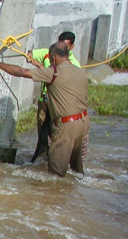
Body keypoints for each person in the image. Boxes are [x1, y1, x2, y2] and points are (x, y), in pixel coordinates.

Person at [0, 42, 90, 177]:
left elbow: (21, 72)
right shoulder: (79, 71)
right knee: (76, 170)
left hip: (67, 125)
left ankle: (54, 197)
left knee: (55, 174)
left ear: (54, 58)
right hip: (83, 122)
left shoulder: (54, 72)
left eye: (50, 59)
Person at [25, 31, 82, 163]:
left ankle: (58, 160)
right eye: (59, 45)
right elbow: (30, 54)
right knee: (43, 134)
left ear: (72, 47)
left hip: (60, 105)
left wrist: (39, 66)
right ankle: (44, 159)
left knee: (57, 135)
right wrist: (28, 55)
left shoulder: (74, 65)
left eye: (65, 46)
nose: (61, 49)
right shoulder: (48, 53)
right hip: (44, 102)